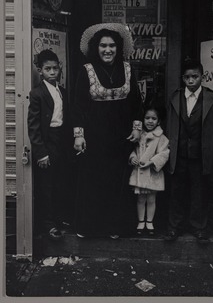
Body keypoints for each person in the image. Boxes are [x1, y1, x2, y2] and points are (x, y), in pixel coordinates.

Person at [73, 23, 143, 239]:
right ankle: (92, 228)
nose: (107, 50)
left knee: (118, 181)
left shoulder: (128, 69)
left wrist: (137, 127)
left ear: (118, 47)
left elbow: (136, 103)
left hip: (121, 135)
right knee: (94, 180)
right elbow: (78, 105)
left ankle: (117, 227)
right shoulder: (86, 71)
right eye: (103, 45)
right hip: (95, 136)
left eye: (112, 45)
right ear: (96, 47)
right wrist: (79, 135)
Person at [166, 59, 213, 243]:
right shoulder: (175, 97)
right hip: (179, 154)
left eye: (195, 76)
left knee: (199, 191)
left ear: (202, 77)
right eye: (187, 77)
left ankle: (198, 227)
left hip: (200, 155)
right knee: (177, 191)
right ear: (183, 78)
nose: (191, 80)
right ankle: (175, 227)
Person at [27, 49, 73, 240]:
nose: (52, 72)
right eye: (48, 69)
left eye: (55, 68)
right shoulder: (37, 93)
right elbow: (34, 125)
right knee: (46, 185)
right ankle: (47, 224)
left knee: (61, 181)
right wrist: (41, 153)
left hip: (61, 139)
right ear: (40, 70)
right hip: (47, 142)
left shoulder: (62, 91)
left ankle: (60, 218)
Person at [129, 103, 169, 235]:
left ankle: (150, 221)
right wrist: (133, 157)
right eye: (147, 118)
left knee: (152, 199)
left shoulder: (161, 137)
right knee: (140, 198)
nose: (150, 121)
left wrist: (152, 162)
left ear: (159, 121)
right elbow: (133, 149)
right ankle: (141, 221)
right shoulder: (139, 135)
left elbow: (164, 153)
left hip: (152, 173)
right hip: (140, 172)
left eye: (154, 119)